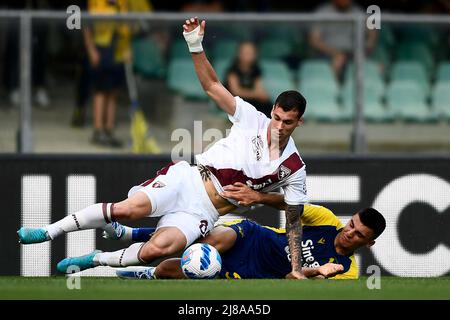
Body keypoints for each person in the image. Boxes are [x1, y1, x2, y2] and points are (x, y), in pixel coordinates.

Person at [18, 17, 309, 279]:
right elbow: (212, 86)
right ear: (271, 111)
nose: (279, 126)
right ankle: (49, 231)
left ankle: (97, 259)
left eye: (288, 122)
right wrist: (195, 45)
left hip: (204, 213)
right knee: (130, 210)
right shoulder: (250, 118)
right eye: (276, 118)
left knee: (157, 249)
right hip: (190, 180)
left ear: (299, 122)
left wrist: (294, 266)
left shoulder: (294, 167)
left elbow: (294, 214)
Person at [110, 204, 386, 280]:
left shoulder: (347, 272)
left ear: (369, 244)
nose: (350, 232)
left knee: (170, 270)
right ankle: (132, 234)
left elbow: (295, 282)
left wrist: (315, 272)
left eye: (360, 235)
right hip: (253, 237)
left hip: (254, 272)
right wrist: (258, 196)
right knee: (205, 242)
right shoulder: (326, 219)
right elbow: (291, 207)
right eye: (352, 224)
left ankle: (150, 273)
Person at [308, 0, 377, 80]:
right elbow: (314, 40)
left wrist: (365, 49)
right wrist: (334, 52)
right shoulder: (323, 12)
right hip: (327, 54)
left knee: (376, 67)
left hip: (352, 53)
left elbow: (372, 33)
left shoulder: (358, 12)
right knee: (338, 60)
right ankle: (333, 89)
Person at [225, 41, 272, 117]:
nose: (249, 55)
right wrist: (256, 94)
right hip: (235, 102)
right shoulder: (232, 70)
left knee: (268, 106)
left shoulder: (256, 70)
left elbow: (259, 88)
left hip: (250, 101)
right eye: (246, 52)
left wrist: (260, 95)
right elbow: (236, 91)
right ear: (239, 54)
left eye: (251, 52)